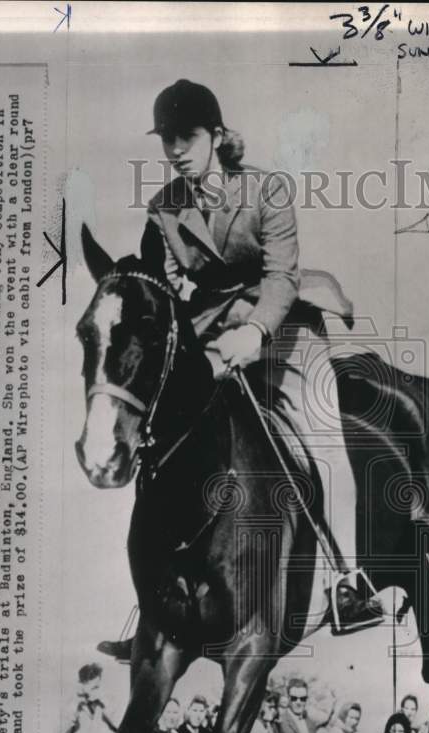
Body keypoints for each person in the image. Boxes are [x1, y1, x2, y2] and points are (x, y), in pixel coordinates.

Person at [142, 78, 382, 630]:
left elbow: (281, 277)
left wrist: (252, 333)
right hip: (210, 339)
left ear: (216, 135)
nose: (176, 150)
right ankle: (155, 591)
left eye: (188, 136)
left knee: (324, 443)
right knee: (164, 438)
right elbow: (176, 285)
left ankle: (349, 581)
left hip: (285, 332)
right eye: (167, 140)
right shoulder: (162, 208)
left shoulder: (267, 189)